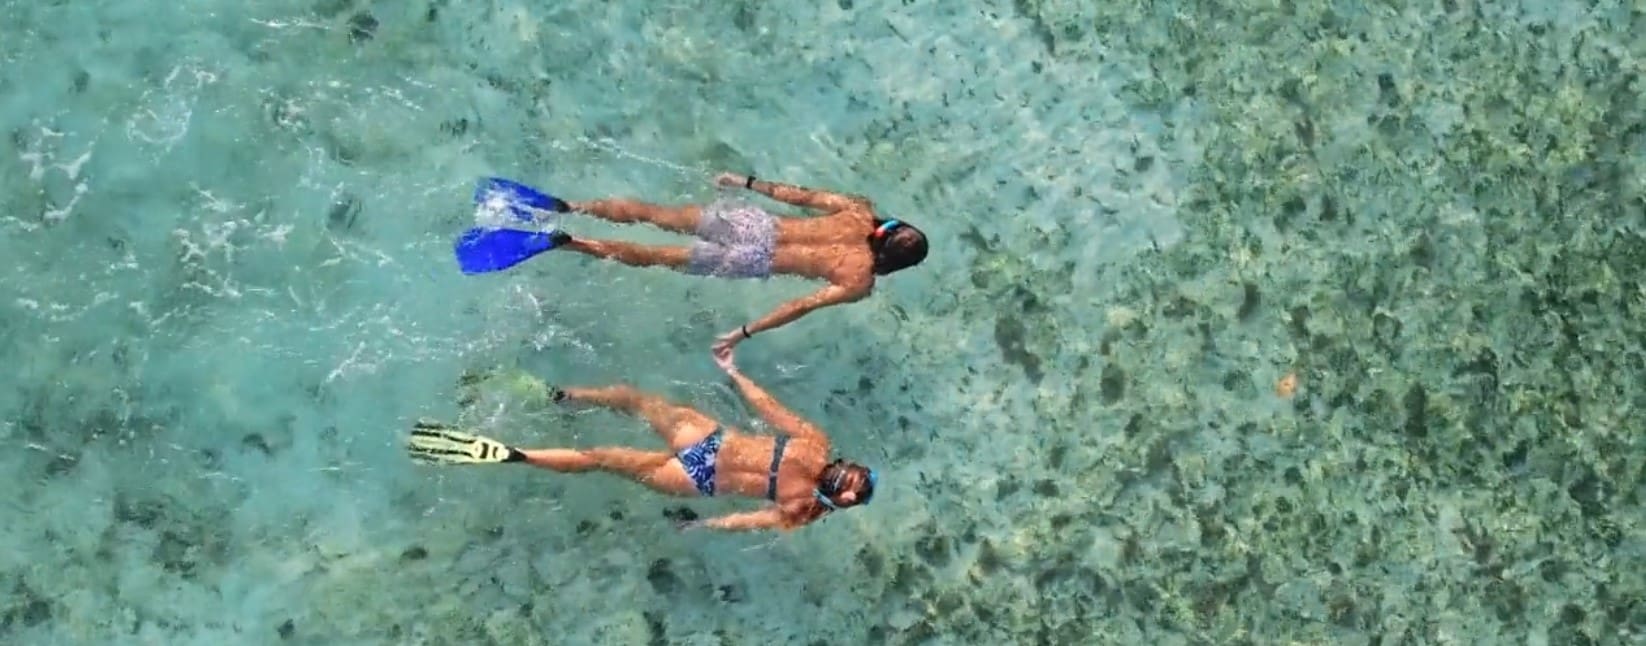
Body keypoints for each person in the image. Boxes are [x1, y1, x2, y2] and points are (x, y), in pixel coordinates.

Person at [406, 354, 878, 532]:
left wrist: (735, 372)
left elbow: (767, 407)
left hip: (707, 443)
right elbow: (745, 519)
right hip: (697, 481)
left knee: (629, 402)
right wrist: (699, 528)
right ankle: (517, 452)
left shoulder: (814, 447)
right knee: (599, 459)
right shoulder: (803, 507)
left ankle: (557, 399)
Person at [533, 173, 928, 353]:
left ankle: (570, 206)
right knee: (658, 256)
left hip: (755, 223)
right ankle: (571, 243)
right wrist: (745, 331)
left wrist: (746, 182)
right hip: (755, 257)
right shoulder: (858, 279)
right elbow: (801, 305)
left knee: (656, 214)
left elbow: (798, 197)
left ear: (890, 229)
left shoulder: (858, 210)